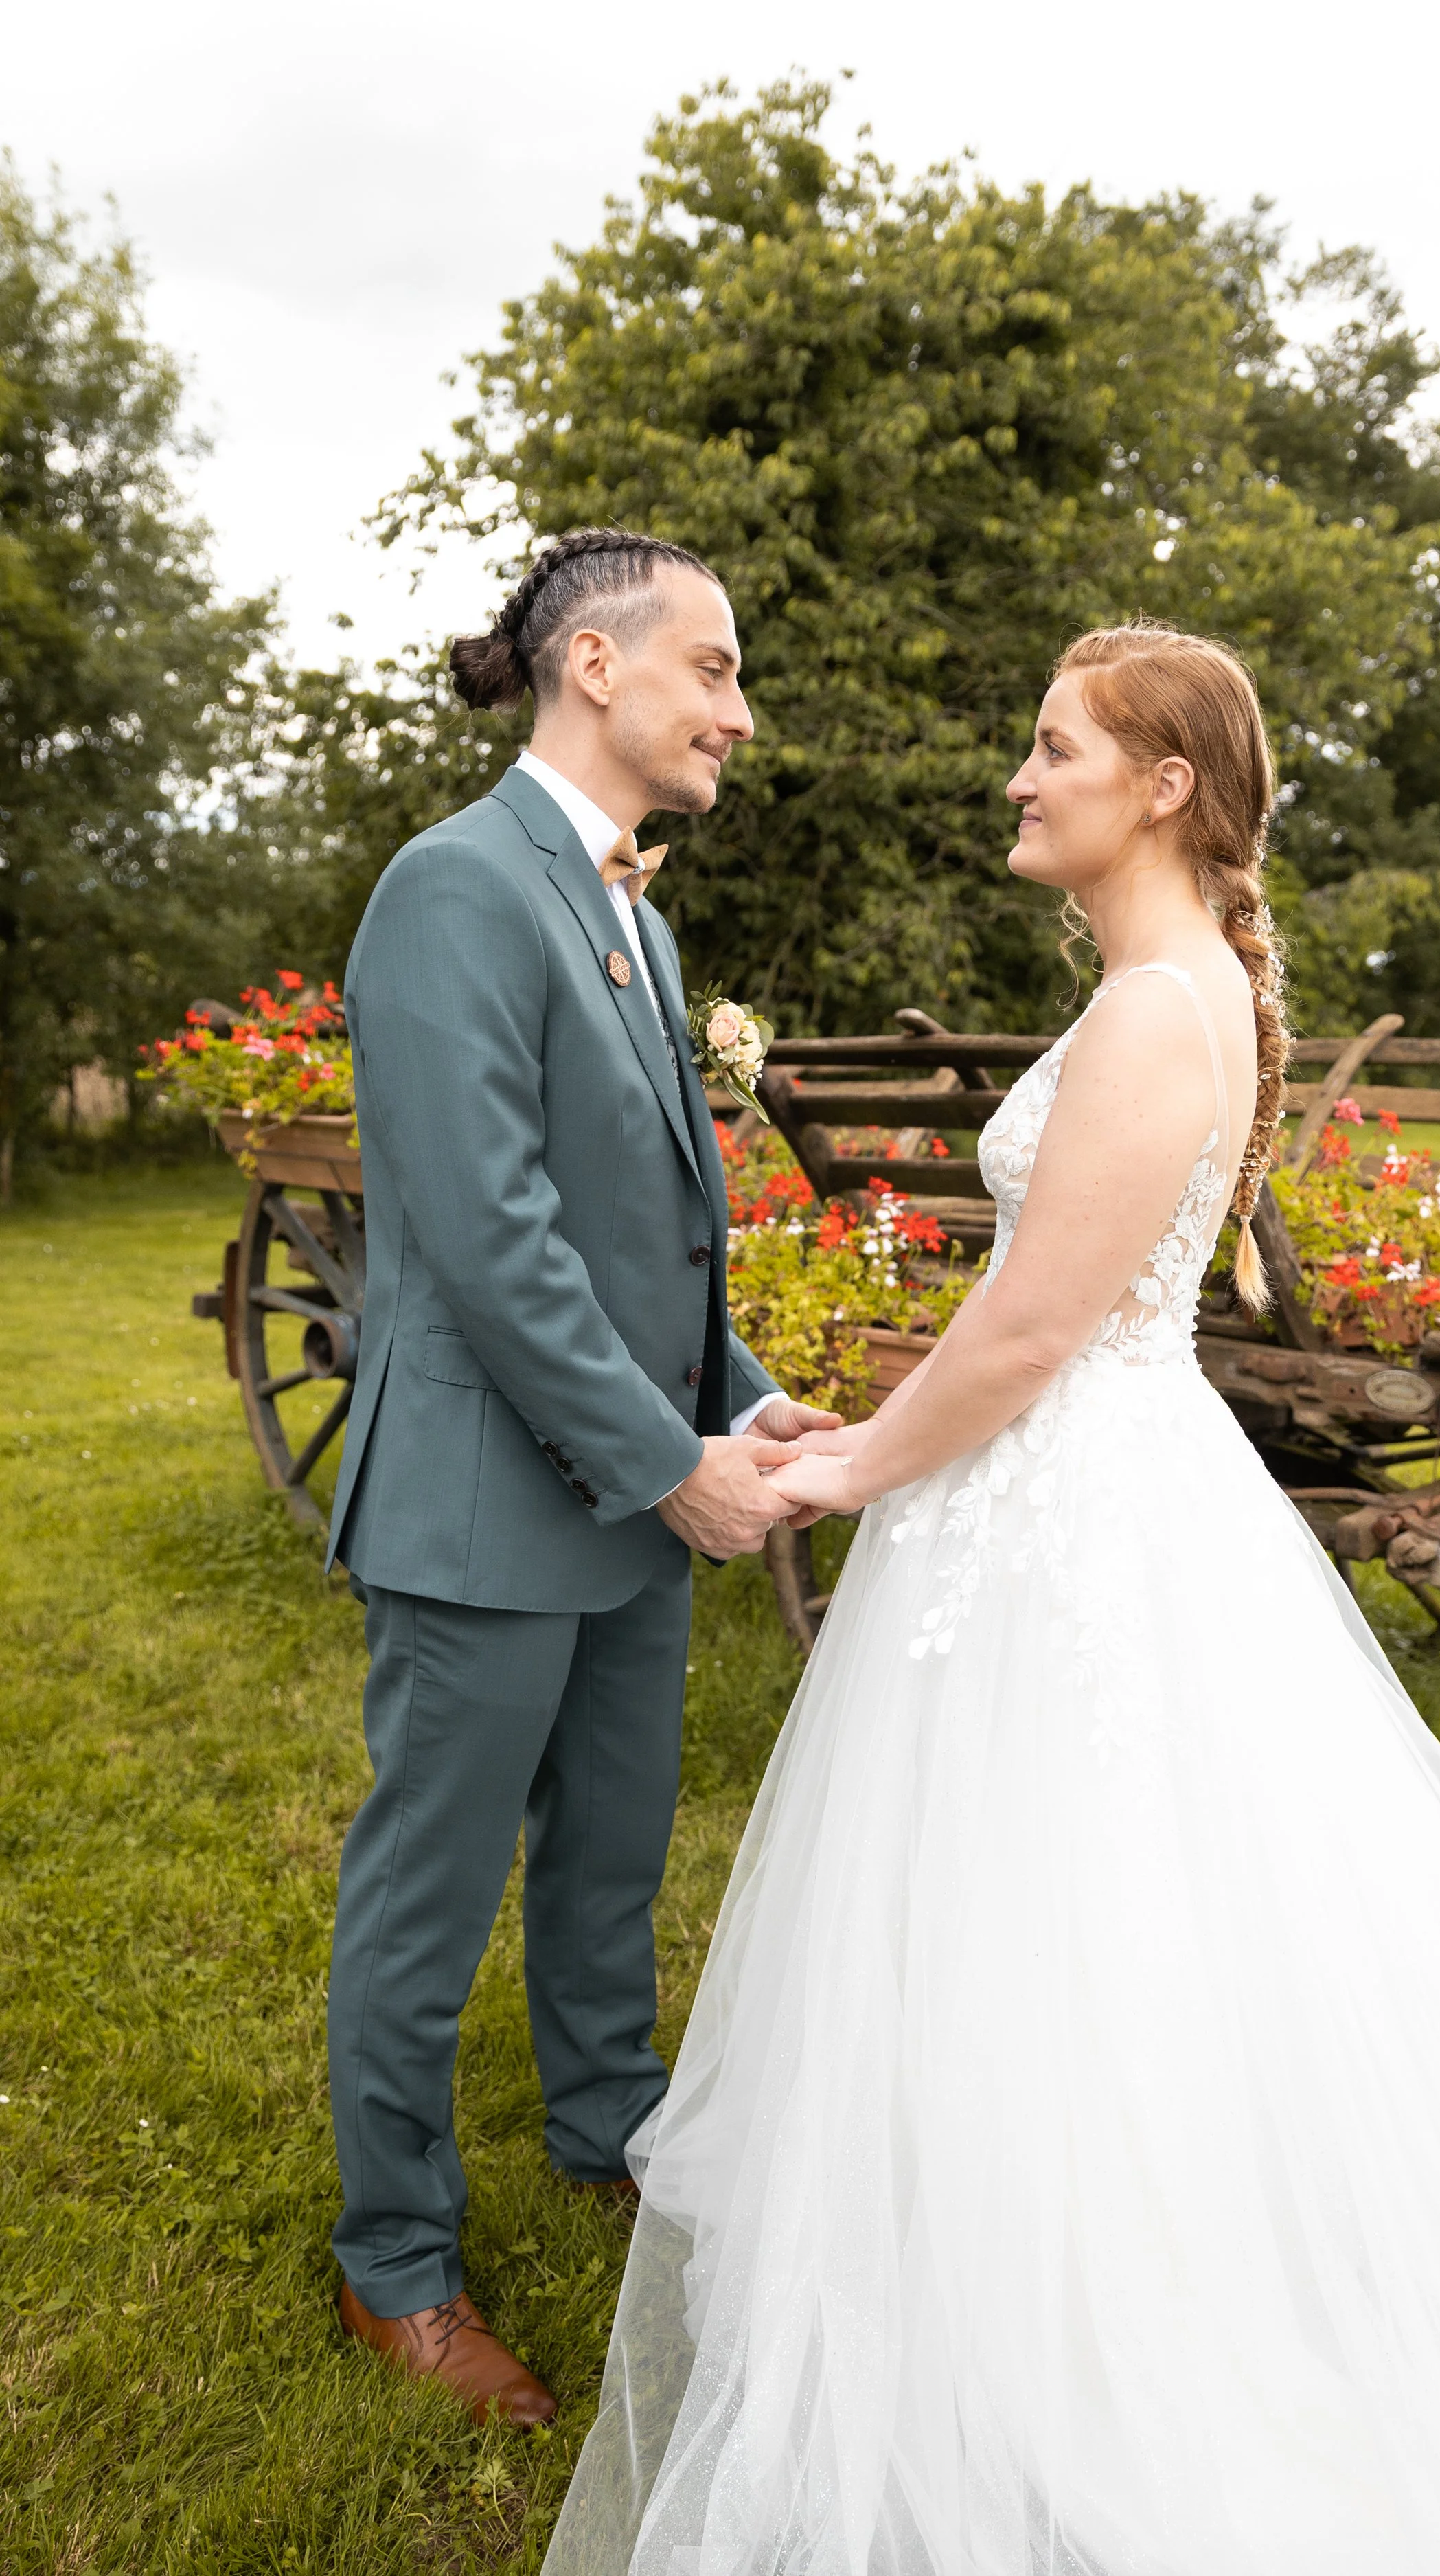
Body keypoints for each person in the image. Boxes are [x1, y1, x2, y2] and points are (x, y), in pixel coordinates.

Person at [548, 620, 1440, 2572]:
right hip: (1059, 1491)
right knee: (1039, 1884)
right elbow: (1029, 1330)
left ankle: (1105, 2285)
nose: (1020, 775)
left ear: (1161, 786)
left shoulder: (1159, 1012)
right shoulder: (1157, 998)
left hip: (1075, 1503)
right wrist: (893, 1426)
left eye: (1052, 743)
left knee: (1081, 1882)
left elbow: (1030, 1330)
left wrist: (839, 1464)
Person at [322, 529, 836, 2428]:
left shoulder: (637, 906)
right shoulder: (455, 890)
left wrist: (746, 1407)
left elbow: (651, 1239)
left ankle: (606, 2131)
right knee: (426, 1892)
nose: (736, 706)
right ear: (595, 665)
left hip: (630, 1491)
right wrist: (669, 1468)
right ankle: (396, 2264)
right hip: (484, 1503)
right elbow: (492, 1236)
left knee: (610, 1859)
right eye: (712, 665)